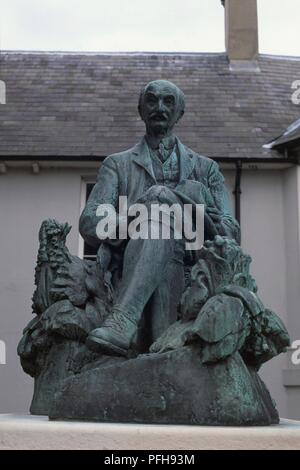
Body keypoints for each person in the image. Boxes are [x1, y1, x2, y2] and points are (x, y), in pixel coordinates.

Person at [79, 80, 239, 356]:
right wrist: (137, 215)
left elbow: (229, 229)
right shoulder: (118, 165)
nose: (160, 107)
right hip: (133, 260)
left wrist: (202, 218)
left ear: (180, 112)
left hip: (192, 266)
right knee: (155, 223)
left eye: (168, 101)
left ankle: (122, 321)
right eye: (152, 101)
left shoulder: (206, 168)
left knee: (160, 202)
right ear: (141, 110)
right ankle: (144, 335)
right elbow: (90, 223)